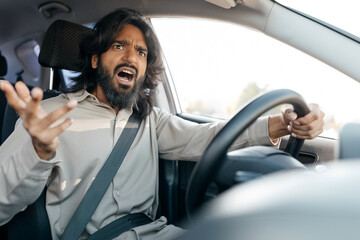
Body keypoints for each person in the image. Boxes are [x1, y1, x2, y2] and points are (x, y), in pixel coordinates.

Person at [0, 8, 324, 240]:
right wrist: (37, 152)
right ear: (96, 59)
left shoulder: (150, 120)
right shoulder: (47, 116)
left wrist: (280, 124)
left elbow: (210, 137)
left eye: (141, 52)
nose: (131, 56)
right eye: (119, 46)